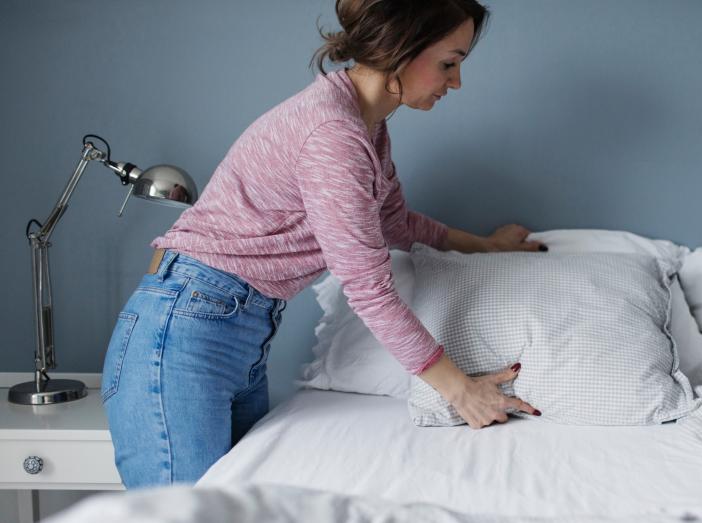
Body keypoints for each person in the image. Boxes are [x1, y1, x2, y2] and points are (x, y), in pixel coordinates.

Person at [101, 0, 544, 489]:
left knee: (230, 508)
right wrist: (461, 392)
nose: (455, 82)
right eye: (449, 62)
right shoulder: (334, 134)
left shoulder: (366, 128)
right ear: (401, 48)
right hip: (187, 326)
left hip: (228, 325)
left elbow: (394, 222)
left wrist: (485, 246)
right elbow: (368, 289)